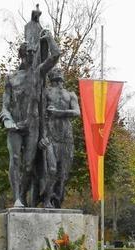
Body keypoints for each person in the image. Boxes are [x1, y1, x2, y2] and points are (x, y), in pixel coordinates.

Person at [0, 28, 60, 207]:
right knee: (15, 159)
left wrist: (49, 38)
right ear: (22, 55)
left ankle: (23, 196)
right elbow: (5, 105)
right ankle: (17, 198)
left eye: (34, 53)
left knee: (27, 166)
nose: (32, 56)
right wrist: (8, 120)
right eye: (29, 53)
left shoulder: (38, 73)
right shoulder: (11, 78)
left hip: (32, 126)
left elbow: (55, 56)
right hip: (15, 126)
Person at [43, 67, 81, 208]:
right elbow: (39, 115)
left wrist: (58, 112)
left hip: (66, 137)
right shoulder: (46, 92)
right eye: (56, 77)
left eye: (60, 76)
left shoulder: (70, 94)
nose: (59, 79)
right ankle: (46, 200)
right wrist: (42, 136)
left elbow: (77, 112)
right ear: (51, 79)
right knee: (52, 169)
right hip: (50, 135)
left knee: (63, 174)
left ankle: (57, 199)